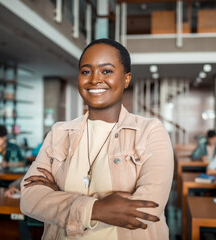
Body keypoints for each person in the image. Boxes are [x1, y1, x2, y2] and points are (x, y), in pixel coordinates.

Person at [20, 39, 174, 239]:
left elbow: (146, 212)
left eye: (106, 71)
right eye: (86, 71)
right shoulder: (59, 133)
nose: (94, 79)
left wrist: (57, 201)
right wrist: (96, 209)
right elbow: (29, 198)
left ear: (126, 79)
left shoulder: (149, 131)